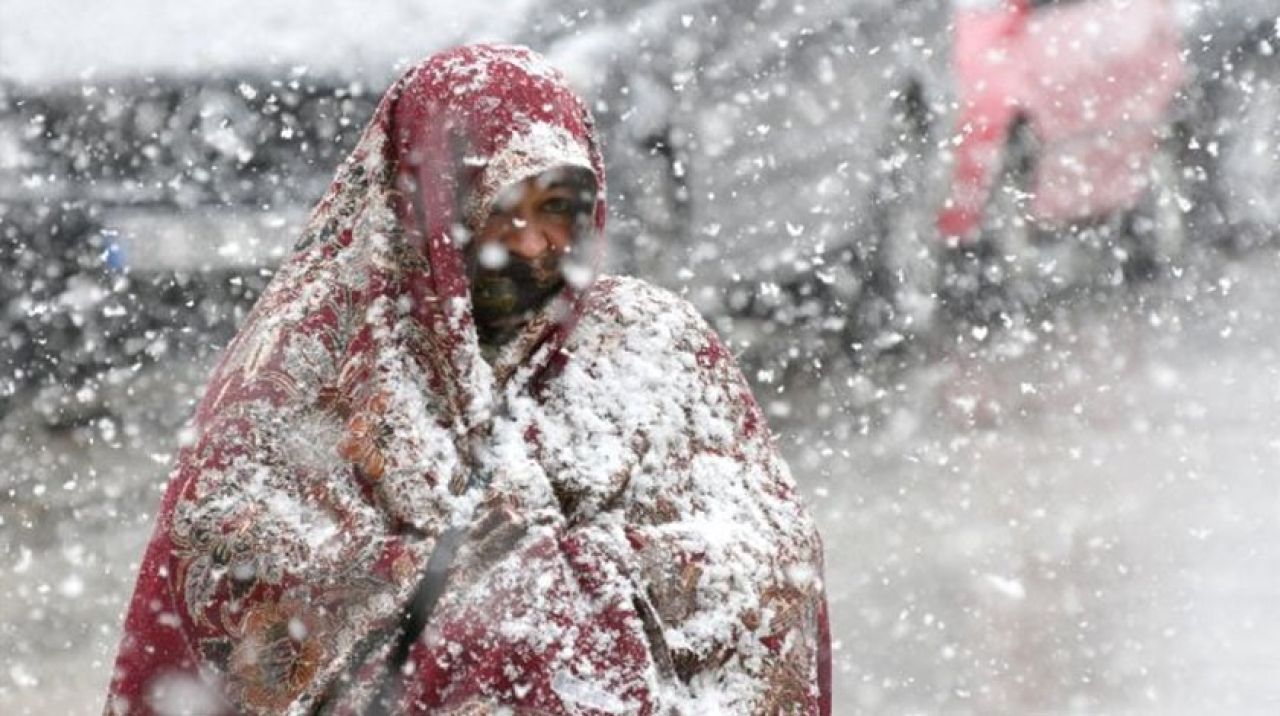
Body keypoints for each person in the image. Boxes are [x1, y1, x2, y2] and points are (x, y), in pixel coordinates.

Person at [106, 44, 830, 715]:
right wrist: (451, 596)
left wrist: (581, 578)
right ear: (429, 209)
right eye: (501, 209)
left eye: (558, 209)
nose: (536, 243)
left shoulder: (651, 350)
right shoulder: (311, 367)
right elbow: (233, 581)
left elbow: (769, 559)